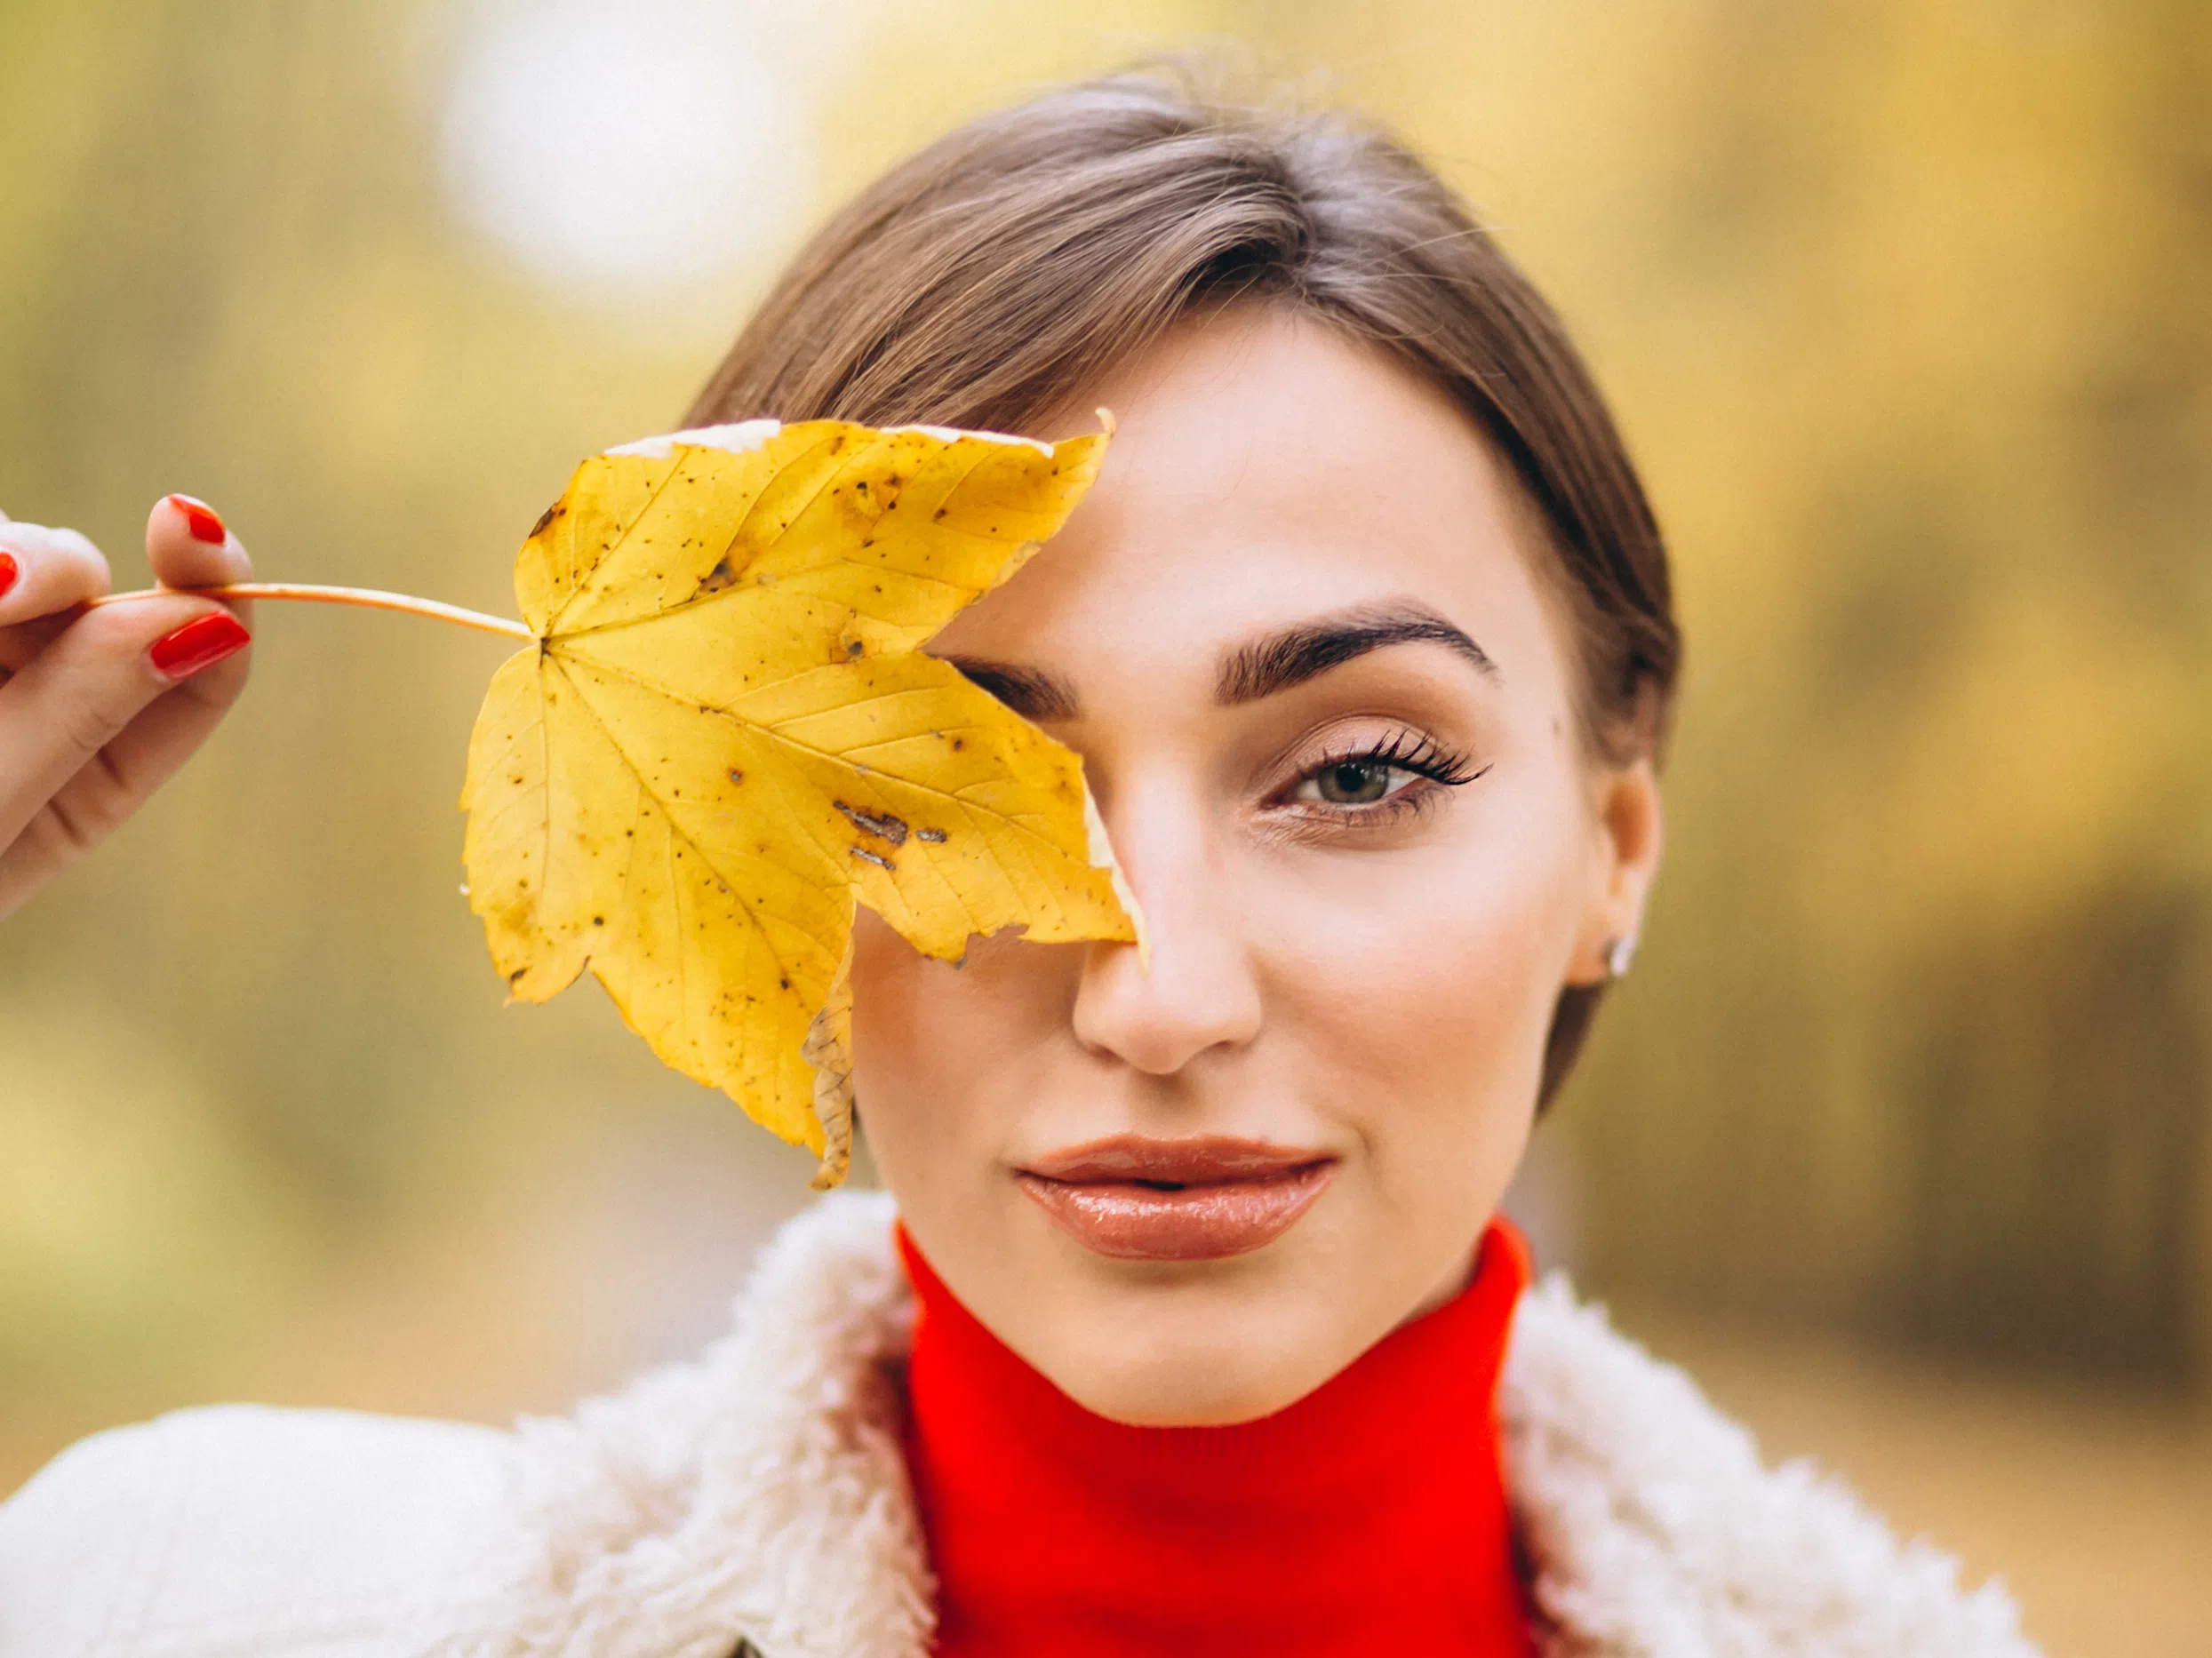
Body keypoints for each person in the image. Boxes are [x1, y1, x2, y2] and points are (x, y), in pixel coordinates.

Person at [0, 67, 2038, 1658]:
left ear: (1611, 852)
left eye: (1352, 776)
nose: (1156, 997)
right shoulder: (179, 1608)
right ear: (747, 843)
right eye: (918, 790)